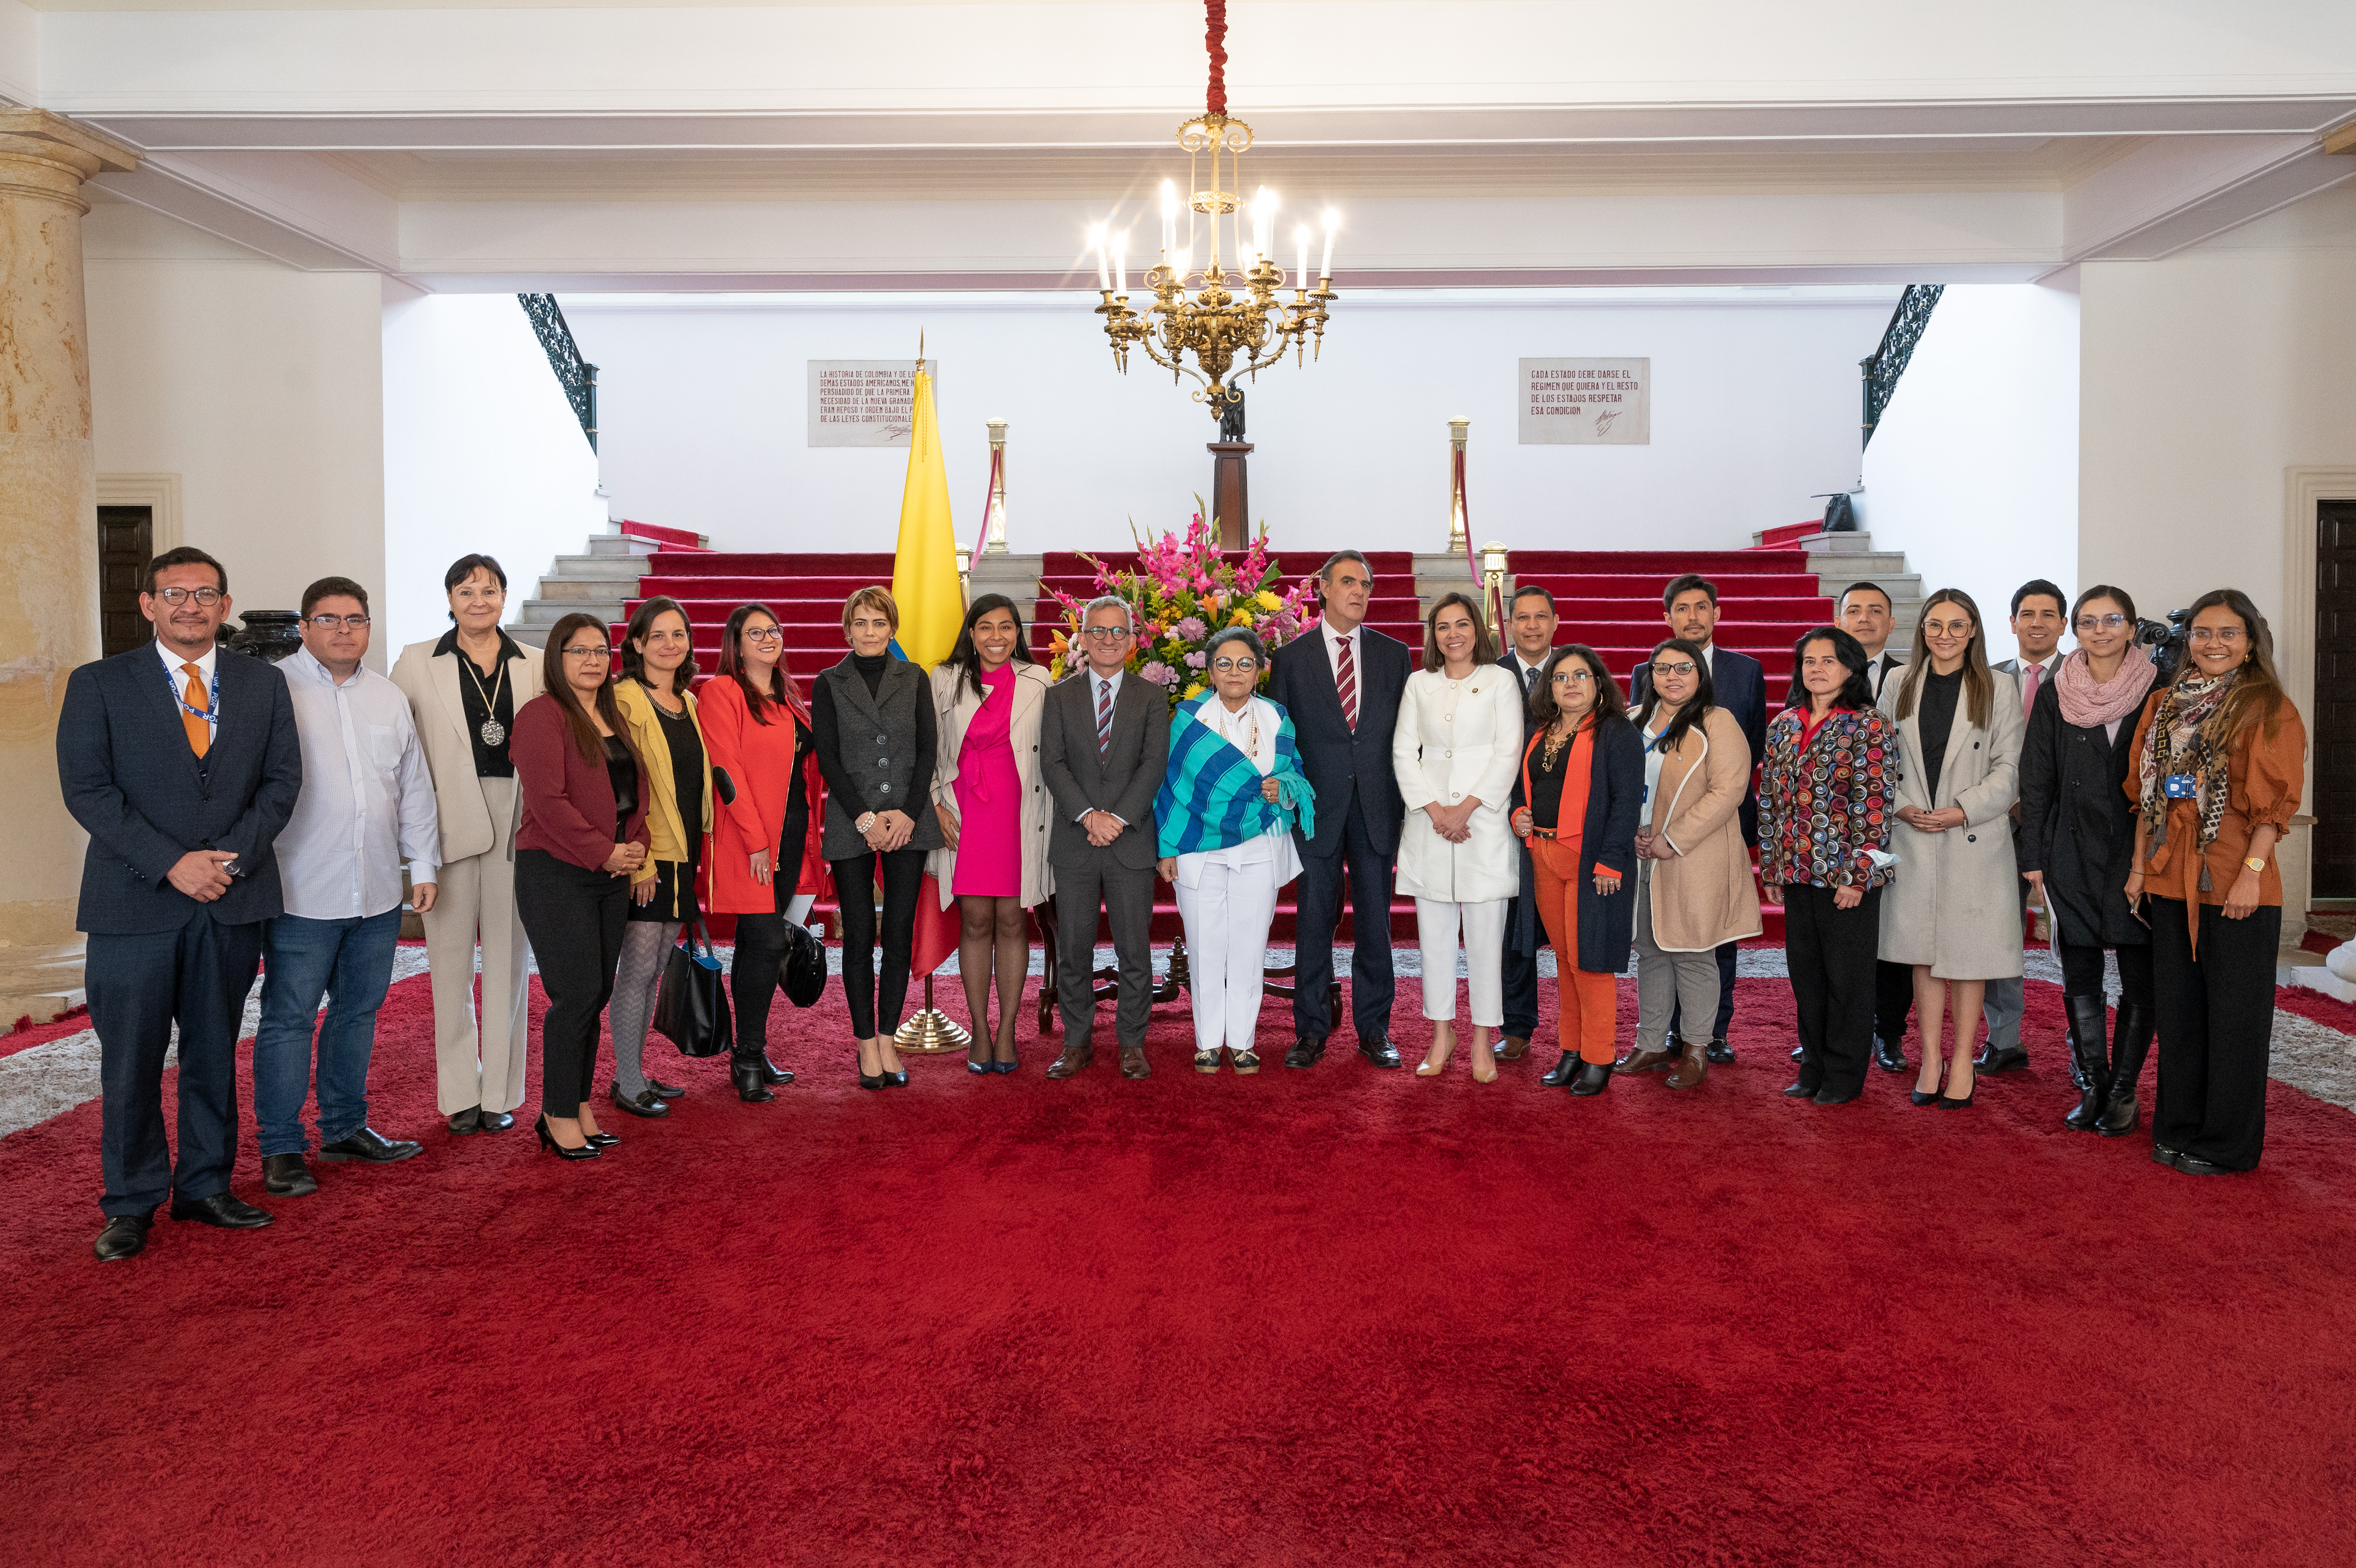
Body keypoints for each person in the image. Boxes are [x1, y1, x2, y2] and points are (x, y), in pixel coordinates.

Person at [60, 547, 303, 1261]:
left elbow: (282, 783)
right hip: (133, 905)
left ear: (226, 606)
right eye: (175, 594)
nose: (190, 606)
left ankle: (204, 1186)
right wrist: (171, 863)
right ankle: (131, 1201)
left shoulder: (262, 684)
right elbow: (89, 791)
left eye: (205, 595)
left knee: (212, 1053)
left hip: (229, 897)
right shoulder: (99, 684)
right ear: (148, 605)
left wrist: (226, 859)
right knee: (131, 1060)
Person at [251, 577, 438, 1202]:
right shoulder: (272, 689)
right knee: (289, 1019)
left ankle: (345, 1126)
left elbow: (412, 786)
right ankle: (280, 1147)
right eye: (327, 618)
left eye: (354, 619)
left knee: (357, 1014)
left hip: (379, 888)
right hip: (301, 888)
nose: (342, 630)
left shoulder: (387, 697)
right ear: (304, 627)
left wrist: (425, 866)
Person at [2128, 588, 2306, 1176]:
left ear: (2250, 642)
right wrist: (2138, 870)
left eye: (2228, 633)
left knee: (2234, 1016)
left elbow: (2272, 809)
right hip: (2170, 874)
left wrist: (2251, 875)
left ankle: (2226, 1143)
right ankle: (2177, 1126)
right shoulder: (2164, 703)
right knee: (2178, 1010)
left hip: (2235, 876)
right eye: (2203, 632)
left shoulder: (2266, 706)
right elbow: (2147, 798)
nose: (2213, 643)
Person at [391, 554, 546, 1136]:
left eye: (489, 589)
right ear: (449, 598)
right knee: (449, 965)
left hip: (517, 819)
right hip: (445, 820)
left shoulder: (533, 663)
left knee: (509, 961)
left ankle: (501, 1092)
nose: (478, 600)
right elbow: (400, 752)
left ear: (504, 596)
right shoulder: (415, 661)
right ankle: (459, 1091)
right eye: (466, 590)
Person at [2018, 585, 2157, 1133]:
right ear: (2075, 630)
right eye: (2088, 621)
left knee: (2138, 971)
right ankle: (2094, 1083)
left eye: (2112, 619)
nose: (2100, 630)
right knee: (2080, 968)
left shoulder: (2158, 690)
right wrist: (2033, 855)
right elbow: (2037, 777)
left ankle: (2124, 1091)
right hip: (2068, 846)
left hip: (2137, 849)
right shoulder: (2057, 692)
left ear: (2131, 626)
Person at [1267, 550, 1413, 1069]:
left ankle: (1375, 1030)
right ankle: (1310, 1030)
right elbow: (1282, 741)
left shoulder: (1395, 655)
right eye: (1348, 582)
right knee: (1312, 923)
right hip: (1316, 811)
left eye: (1367, 584)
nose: (1360, 592)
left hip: (1377, 806)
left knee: (1376, 924)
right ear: (1323, 588)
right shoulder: (1290, 659)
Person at [1879, 590, 2025, 1110]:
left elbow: (2010, 768)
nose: (1945, 635)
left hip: (1973, 836)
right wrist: (1898, 806)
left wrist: (1963, 808)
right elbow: (1876, 759)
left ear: (1973, 632)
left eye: (1957, 626)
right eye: (1935, 625)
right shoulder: (1897, 682)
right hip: (1913, 834)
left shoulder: (1998, 685)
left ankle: (1962, 1060)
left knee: (1969, 955)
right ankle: (1930, 1059)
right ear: (1922, 630)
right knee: (1922, 954)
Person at [511, 613, 650, 1159]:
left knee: (597, 992)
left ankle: (579, 1103)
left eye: (600, 650)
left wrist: (632, 847)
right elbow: (547, 803)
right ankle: (557, 1113)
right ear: (557, 658)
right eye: (578, 651)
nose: (592, 659)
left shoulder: (613, 714)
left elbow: (633, 793)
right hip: (556, 871)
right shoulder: (542, 716)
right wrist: (604, 851)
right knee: (573, 996)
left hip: (610, 873)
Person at [1156, 627, 1315, 1073]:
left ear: (1260, 670)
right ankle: (1208, 1042)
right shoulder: (1188, 718)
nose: (1234, 671)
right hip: (1195, 847)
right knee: (1205, 945)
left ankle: (1243, 1041)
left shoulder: (1277, 717)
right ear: (1209, 671)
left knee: (1249, 946)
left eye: (1245, 663)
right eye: (1224, 663)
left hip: (1260, 846)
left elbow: (1296, 779)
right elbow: (1170, 788)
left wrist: (1280, 789)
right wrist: (1167, 847)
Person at [1628, 573, 1764, 1066]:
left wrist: (1671, 839)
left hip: (1693, 853)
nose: (1672, 677)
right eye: (1662, 669)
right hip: (1644, 854)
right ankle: (1649, 1044)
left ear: (1698, 675)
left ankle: (1697, 1049)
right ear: (1650, 673)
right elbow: (1619, 785)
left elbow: (1729, 790)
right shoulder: (1634, 717)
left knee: (1694, 953)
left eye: (1683, 669)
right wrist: (1636, 835)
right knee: (1650, 951)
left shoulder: (1719, 720)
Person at [1758, 627, 1897, 1106]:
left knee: (1848, 982)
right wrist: (1773, 868)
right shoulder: (1783, 725)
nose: (1816, 668)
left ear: (1852, 668)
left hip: (1845, 879)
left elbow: (1876, 808)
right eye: (1809, 660)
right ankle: (1813, 1067)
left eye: (1829, 660)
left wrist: (1859, 877)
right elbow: (1771, 803)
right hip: (1796, 874)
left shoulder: (1869, 725)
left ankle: (1843, 1075)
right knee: (1808, 979)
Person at [813, 587, 943, 1088]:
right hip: (852, 821)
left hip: (910, 822)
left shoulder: (914, 678)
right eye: (861, 623)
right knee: (860, 936)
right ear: (848, 630)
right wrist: (867, 819)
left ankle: (889, 1037)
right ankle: (866, 1043)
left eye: (879, 623)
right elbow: (828, 758)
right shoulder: (830, 682)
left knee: (899, 934)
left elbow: (927, 747)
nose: (870, 632)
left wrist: (909, 814)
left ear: (893, 629)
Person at [1391, 593, 1524, 1080]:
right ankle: (1441, 1033)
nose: (1453, 634)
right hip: (1430, 824)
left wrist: (1464, 808)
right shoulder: (1418, 683)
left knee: (1487, 939)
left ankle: (1484, 1038)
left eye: (1462, 624)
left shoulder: (1500, 680)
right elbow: (1405, 751)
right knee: (1435, 938)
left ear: (1477, 630)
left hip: (1481, 823)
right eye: (1443, 626)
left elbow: (1508, 751)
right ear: (1433, 635)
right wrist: (1434, 810)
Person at [701, 603, 828, 1100]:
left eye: (773, 630)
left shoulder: (787, 697)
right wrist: (757, 841)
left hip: (795, 832)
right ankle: (748, 1057)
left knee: (759, 946)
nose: (768, 638)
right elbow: (725, 770)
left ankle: (750, 1050)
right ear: (736, 643)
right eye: (755, 633)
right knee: (768, 941)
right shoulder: (722, 692)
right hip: (749, 838)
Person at [1040, 596, 1169, 1080]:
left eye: (1118, 632)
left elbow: (1153, 765)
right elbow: (1051, 763)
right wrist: (1088, 816)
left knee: (1134, 950)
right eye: (1099, 631)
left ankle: (1132, 1044)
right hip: (1076, 841)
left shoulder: (1152, 698)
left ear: (1133, 642)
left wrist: (1116, 817)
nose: (1109, 640)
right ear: (1083, 639)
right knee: (1073, 949)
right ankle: (1077, 1043)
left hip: (1130, 840)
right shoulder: (1059, 696)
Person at [928, 594, 1055, 1074]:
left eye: (1006, 627)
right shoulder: (944, 679)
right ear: (972, 632)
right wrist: (936, 804)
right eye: (986, 627)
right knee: (976, 918)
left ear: (1018, 633)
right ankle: (979, 1030)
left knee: (1012, 920)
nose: (996, 637)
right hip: (963, 809)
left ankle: (1007, 1032)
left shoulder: (1038, 679)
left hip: (1019, 807)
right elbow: (930, 748)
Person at [1509, 646, 1641, 1097]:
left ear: (1598, 683)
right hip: (1543, 855)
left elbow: (1627, 803)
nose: (1570, 684)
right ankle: (1571, 1051)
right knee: (1564, 961)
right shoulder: (1542, 730)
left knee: (1591, 962)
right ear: (1550, 686)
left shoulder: (1616, 732)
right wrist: (1519, 816)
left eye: (1580, 675)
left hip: (1590, 863)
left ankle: (1599, 1056)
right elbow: (1524, 791)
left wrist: (1611, 860)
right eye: (1561, 677)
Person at [608, 597, 722, 1112]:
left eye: (679, 635)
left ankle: (636, 1071)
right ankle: (626, 1080)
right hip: (647, 853)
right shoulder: (625, 700)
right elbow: (626, 785)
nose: (669, 644)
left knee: (656, 963)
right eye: (657, 635)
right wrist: (642, 860)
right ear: (636, 643)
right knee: (636, 965)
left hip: (684, 850)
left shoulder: (688, 702)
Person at [1980, 578, 2069, 1076]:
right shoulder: (1988, 679)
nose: (2037, 623)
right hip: (1998, 827)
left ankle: (2085, 1052)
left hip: (2062, 829)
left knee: (2074, 938)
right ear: (2012, 623)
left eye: (2048, 614)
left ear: (2062, 624)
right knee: (2000, 933)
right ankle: (2005, 1039)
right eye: (2027, 614)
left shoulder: (2080, 679)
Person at [1844, 580, 1914, 1076]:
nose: (1864, 619)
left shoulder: (1910, 676)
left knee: (1894, 936)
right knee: (1841, 938)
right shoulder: (1819, 670)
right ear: (1839, 618)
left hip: (1898, 822)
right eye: (1854, 610)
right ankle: (1838, 1032)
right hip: (1835, 827)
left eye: (1875, 611)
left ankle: (1889, 1034)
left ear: (1892, 623)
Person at [1494, 583, 1559, 1060]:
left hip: (1566, 819)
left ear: (1554, 622)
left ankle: (1578, 1034)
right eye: (1523, 618)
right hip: (1504, 817)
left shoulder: (1576, 671)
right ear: (1509, 625)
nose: (1532, 626)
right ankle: (1517, 1025)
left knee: (1571, 930)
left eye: (1541, 617)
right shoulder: (1489, 675)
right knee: (1514, 930)